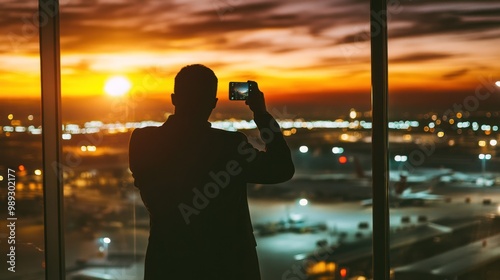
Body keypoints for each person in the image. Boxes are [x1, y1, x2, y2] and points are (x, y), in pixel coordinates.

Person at [129, 64, 294, 280]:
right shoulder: (229, 146)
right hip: (226, 267)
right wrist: (261, 114)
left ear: (174, 98)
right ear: (213, 104)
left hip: (168, 265)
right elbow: (282, 168)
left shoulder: (142, 142)